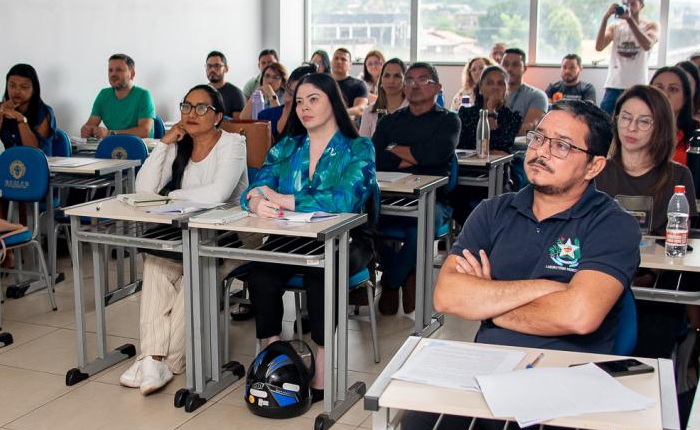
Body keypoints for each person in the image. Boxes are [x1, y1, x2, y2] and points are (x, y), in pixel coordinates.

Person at [338, 100, 641, 430]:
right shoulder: (493, 212)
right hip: (482, 386)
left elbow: (582, 316)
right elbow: (449, 298)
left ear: (593, 166)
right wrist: (547, 289)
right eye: (541, 137)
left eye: (563, 145)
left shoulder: (612, 225)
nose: (542, 151)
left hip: (563, 398)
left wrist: (497, 301)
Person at [243, 73, 377, 391]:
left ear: (335, 102)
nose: (304, 108)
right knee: (260, 271)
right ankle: (272, 355)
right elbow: (254, 187)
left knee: (320, 275)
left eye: (313, 99)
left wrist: (283, 199)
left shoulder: (359, 147)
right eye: (299, 101)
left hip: (347, 239)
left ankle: (321, 364)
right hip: (292, 237)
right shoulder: (288, 146)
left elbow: (345, 200)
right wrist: (256, 203)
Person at [122, 84, 248, 395]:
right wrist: (163, 145)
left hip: (228, 239)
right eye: (187, 107)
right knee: (154, 263)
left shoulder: (233, 144)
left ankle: (164, 361)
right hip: (184, 236)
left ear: (217, 116)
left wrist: (173, 197)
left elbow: (218, 194)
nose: (192, 114)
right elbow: (144, 190)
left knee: (195, 275)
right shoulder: (180, 145)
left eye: (201, 108)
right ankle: (154, 360)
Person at [372, 62, 462, 315]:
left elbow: (436, 153)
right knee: (364, 221)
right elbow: (376, 156)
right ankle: (405, 273)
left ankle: (391, 281)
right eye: (409, 80)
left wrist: (396, 150)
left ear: (438, 87)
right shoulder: (391, 120)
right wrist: (414, 155)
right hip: (391, 197)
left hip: (434, 200)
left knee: (418, 230)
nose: (414, 85)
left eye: (423, 80)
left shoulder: (449, 120)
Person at [594, 85, 696, 236]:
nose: (631, 127)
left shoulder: (679, 175)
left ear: (660, 127)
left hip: (659, 259)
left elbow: (679, 238)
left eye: (644, 121)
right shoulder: (596, 170)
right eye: (626, 117)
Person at [651, 65, 700, 194]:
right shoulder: (636, 128)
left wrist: (686, 199)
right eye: (658, 88)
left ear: (686, 96)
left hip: (687, 206)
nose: (665, 94)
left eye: (673, 89)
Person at [595, 0, 660, 116]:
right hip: (614, 85)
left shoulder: (650, 26)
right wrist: (606, 17)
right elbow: (599, 46)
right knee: (604, 122)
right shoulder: (616, 27)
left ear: (641, 5)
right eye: (626, 4)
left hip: (638, 85)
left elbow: (647, 44)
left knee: (635, 120)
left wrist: (629, 21)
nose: (629, 8)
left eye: (633, 4)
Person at [0, 63, 55, 154]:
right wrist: (0, 117)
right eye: (12, 86)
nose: (17, 91)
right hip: (11, 164)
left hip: (39, 165)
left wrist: (20, 119)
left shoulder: (44, 112)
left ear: (34, 89)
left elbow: (34, 152)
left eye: (24, 87)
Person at [456, 65, 527, 155]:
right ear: (480, 88)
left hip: (499, 167)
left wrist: (491, 111)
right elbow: (463, 147)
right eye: (489, 83)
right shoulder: (465, 114)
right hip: (470, 166)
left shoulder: (512, 117)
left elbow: (499, 145)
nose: (495, 87)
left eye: (500, 83)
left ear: (506, 89)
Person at [81, 53, 155, 138]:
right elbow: (90, 125)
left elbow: (144, 131)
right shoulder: (103, 94)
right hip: (112, 148)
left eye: (119, 70)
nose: (113, 74)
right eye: (110, 70)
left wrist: (110, 133)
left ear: (132, 73)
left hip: (139, 149)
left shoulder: (143, 95)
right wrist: (86, 130)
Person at [254, 64, 315, 139]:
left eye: (297, 97)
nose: (289, 100)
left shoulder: (312, 127)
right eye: (289, 92)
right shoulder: (265, 117)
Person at [499, 48, 548, 133]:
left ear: (524, 68)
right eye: (505, 64)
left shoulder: (537, 96)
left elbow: (530, 128)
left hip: (518, 145)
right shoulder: (489, 93)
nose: (509, 69)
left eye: (515, 65)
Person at [359, 57, 407, 140]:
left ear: (405, 81)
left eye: (397, 76)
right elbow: (363, 148)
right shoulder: (369, 112)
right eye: (387, 76)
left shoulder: (415, 110)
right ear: (381, 80)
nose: (391, 80)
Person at [242, 59, 288, 124]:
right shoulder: (259, 93)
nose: (270, 80)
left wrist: (272, 96)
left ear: (282, 82)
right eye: (267, 76)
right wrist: (254, 96)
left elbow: (280, 120)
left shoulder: (287, 96)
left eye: (276, 77)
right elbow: (243, 119)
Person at [205, 50, 246, 117]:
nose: (212, 69)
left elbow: (238, 125)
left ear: (226, 69)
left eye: (217, 65)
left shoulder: (236, 94)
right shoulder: (201, 92)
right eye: (209, 66)